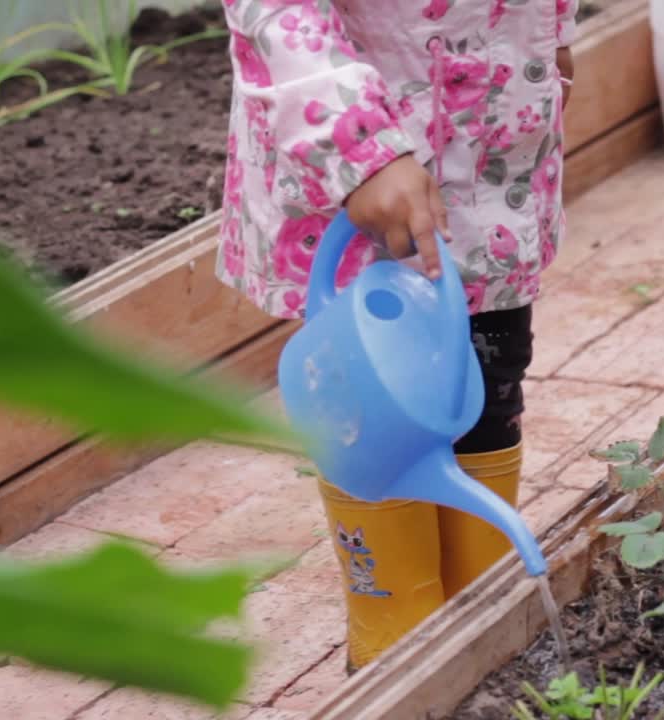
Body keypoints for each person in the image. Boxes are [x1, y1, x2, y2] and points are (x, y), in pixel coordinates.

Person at [216, 0, 578, 672]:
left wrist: (554, 31)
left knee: (487, 377)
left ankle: (485, 618)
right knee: (370, 404)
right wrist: (362, 151)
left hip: (495, 134)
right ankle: (393, 636)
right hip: (358, 162)